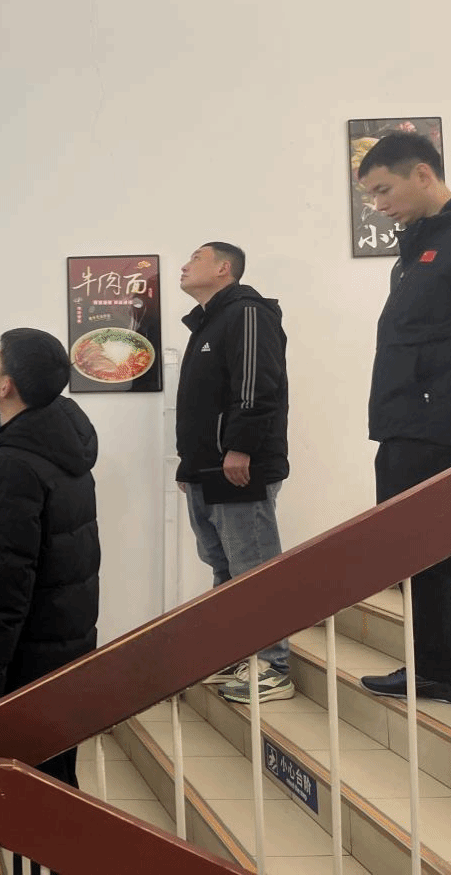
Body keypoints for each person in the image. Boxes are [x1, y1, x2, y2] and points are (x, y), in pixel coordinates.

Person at [357, 132, 451, 705]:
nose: (378, 204)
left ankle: (436, 668)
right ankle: (435, 670)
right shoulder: (416, 248)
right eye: (371, 195)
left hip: (445, 423)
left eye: (384, 190)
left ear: (423, 174)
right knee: (411, 551)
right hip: (405, 421)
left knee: (434, 543)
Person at [0, 328, 100, 786]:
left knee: (33, 790)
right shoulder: (60, 445)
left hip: (28, 660)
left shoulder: (16, 462)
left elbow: (4, 580)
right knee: (56, 779)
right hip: (62, 646)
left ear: (6, 386)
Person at [176, 242, 292, 704]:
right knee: (224, 565)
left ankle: (274, 666)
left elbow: (256, 385)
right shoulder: (208, 320)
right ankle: (237, 654)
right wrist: (188, 465)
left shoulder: (247, 312)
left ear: (224, 268)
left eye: (196, 258)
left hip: (239, 465)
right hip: (206, 468)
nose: (184, 266)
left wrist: (240, 447)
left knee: (253, 567)